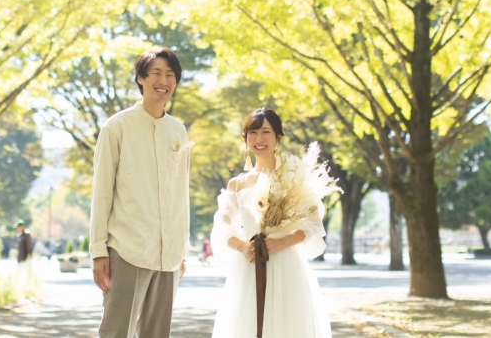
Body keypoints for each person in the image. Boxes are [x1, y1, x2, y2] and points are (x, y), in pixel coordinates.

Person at [89, 46, 190, 338]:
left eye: (170, 75)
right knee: (116, 332)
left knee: (157, 334)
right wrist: (98, 252)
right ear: (141, 78)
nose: (164, 80)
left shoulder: (178, 131)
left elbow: (180, 194)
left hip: (168, 254)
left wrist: (180, 248)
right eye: (156, 72)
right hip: (127, 248)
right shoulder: (116, 127)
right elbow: (102, 193)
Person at [210, 108, 333, 337]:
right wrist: (241, 245)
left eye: (266, 132)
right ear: (245, 139)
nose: (259, 139)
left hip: (287, 265)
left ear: (278, 139)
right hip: (248, 265)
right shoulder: (237, 184)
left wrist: (282, 242)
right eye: (253, 132)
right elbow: (223, 226)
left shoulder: (294, 178)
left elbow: (313, 225)